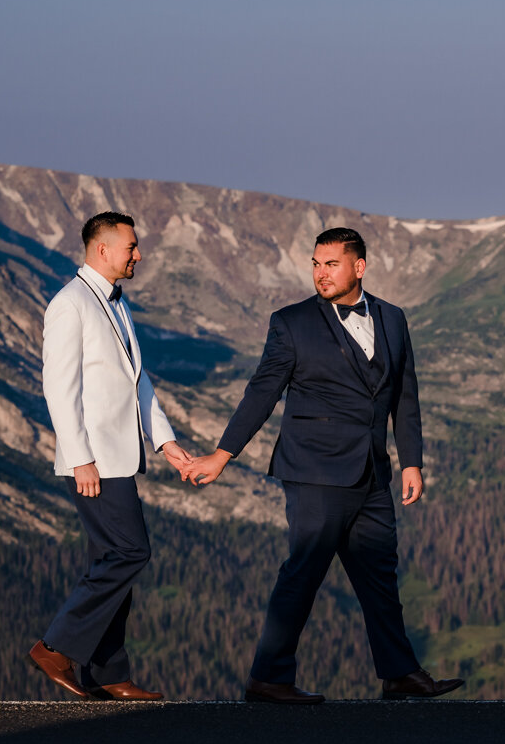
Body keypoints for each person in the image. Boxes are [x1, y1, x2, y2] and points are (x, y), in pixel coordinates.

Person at [183, 227, 462, 703]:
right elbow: (262, 392)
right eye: (315, 263)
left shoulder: (394, 319)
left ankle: (399, 674)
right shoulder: (291, 322)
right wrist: (223, 455)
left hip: (373, 474)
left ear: (360, 266)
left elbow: (405, 396)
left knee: (379, 575)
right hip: (314, 472)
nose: (320, 273)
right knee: (304, 573)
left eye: (330, 264)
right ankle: (268, 678)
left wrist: (411, 461)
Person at [27, 211, 193, 700]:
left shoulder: (118, 305)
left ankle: (108, 672)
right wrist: (79, 457)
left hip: (121, 456)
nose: (138, 255)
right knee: (130, 551)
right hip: (93, 460)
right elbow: (59, 389)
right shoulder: (69, 304)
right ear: (103, 250)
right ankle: (55, 647)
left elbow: (137, 380)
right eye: (132, 247)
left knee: (111, 557)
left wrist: (165, 441)